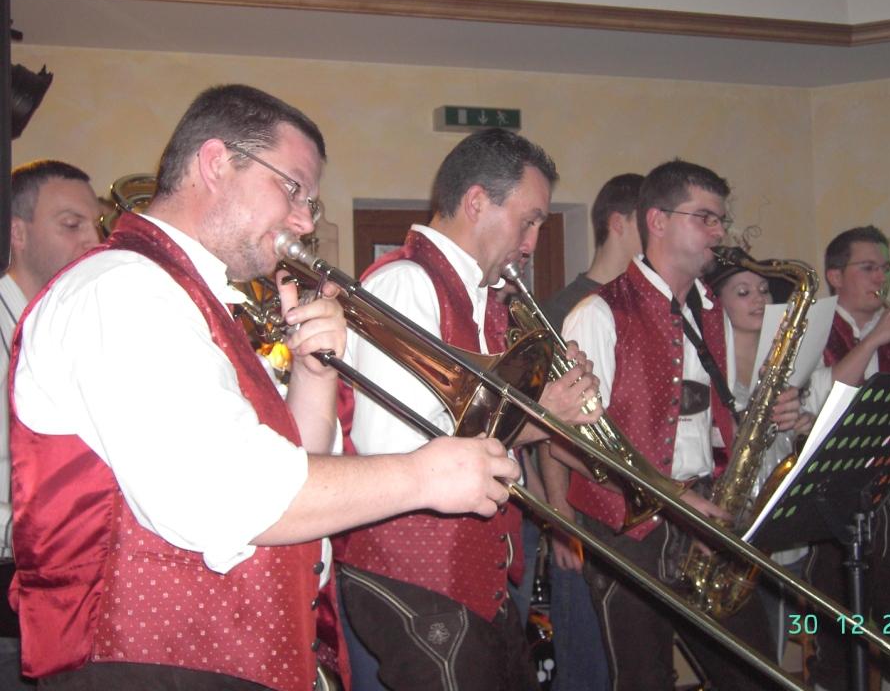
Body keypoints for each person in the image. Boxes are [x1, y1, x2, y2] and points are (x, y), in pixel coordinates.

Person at [8, 85, 520, 691]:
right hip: (150, 665)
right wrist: (422, 475)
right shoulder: (121, 288)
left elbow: (292, 467)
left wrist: (315, 374)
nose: (304, 220)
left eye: (311, 202)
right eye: (292, 189)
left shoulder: (199, 297)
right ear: (216, 163)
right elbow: (226, 492)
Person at [338, 127, 602, 691]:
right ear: (477, 202)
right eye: (528, 221)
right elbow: (402, 450)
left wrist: (551, 403)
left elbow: (485, 429)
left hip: (475, 578)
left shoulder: (485, 301)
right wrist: (541, 414)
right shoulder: (405, 284)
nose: (532, 243)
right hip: (414, 576)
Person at [555, 159, 800, 691]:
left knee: (755, 676)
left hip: (705, 512)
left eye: (721, 220)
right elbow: (569, 444)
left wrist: (770, 417)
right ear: (658, 221)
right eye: (705, 218)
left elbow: (708, 424)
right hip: (628, 529)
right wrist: (670, 497)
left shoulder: (711, 312)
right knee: (644, 680)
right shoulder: (598, 313)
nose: (720, 233)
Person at [801, 225, 890, 691]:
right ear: (835, 276)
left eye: (885, 268)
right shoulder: (812, 326)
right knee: (836, 644)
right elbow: (823, 400)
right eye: (869, 267)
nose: (882, 277)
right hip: (830, 501)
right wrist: (875, 338)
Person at [538, 171, 643, 691]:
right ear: (619, 223)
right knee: (587, 663)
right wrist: (562, 520)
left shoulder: (642, 305)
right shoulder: (567, 308)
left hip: (626, 518)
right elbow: (550, 428)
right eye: (651, 222)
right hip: (582, 512)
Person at [1, 160, 101, 689]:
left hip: (67, 595)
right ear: (16, 234)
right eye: (71, 225)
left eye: (95, 225)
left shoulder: (66, 324)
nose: (93, 241)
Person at [703, 249, 813, 663]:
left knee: (776, 643)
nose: (759, 300)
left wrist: (803, 422)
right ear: (717, 303)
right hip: (727, 514)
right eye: (743, 292)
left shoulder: (787, 357)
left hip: (777, 516)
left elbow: (808, 422)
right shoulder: (706, 360)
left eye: (764, 290)